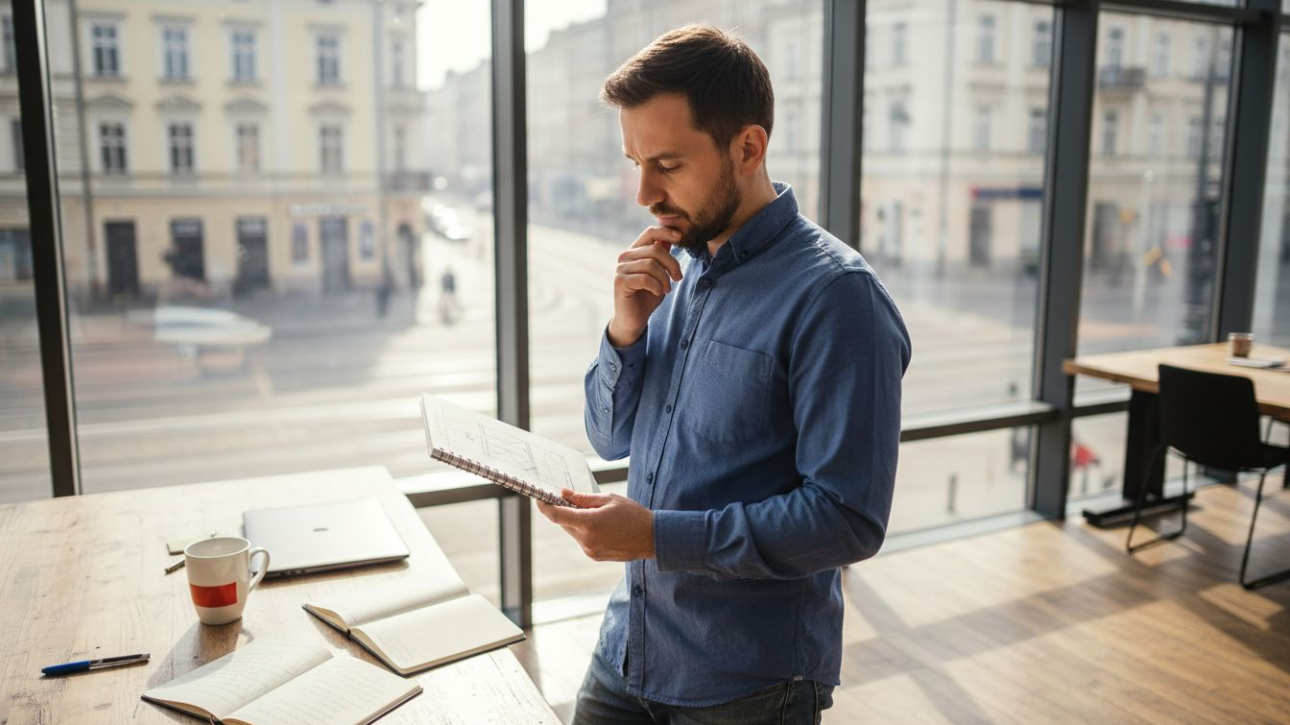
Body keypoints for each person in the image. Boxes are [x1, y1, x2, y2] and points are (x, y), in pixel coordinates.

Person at [535, 24, 911, 725]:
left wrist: (656, 536)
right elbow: (609, 437)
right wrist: (624, 330)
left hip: (747, 684)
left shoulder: (837, 297)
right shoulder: (671, 268)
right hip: (630, 647)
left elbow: (848, 520)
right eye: (635, 162)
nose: (644, 193)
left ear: (748, 148)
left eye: (668, 164)